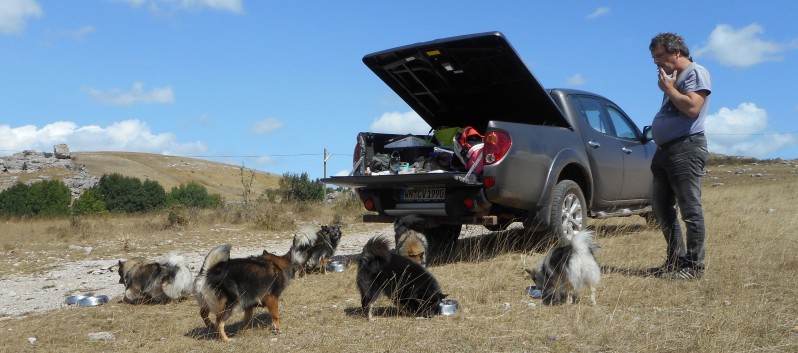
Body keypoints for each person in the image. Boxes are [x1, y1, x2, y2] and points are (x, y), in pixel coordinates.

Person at [648, 32, 711, 280]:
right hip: (666, 150)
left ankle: (694, 267)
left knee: (690, 208)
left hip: (686, 147)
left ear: (676, 52)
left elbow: (692, 108)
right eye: (654, 58)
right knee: (661, 206)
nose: (656, 61)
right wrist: (670, 88)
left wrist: (669, 89)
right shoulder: (674, 79)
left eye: (660, 55)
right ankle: (676, 261)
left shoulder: (696, 72)